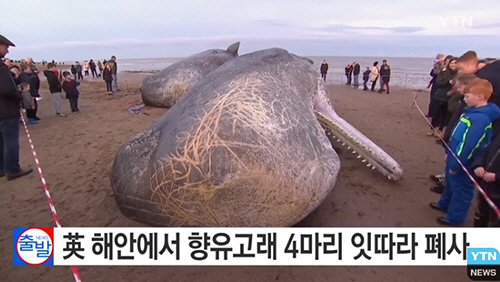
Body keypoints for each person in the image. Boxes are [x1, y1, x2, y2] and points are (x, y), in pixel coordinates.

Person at [430, 78, 500, 226]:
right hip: (454, 154)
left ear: (480, 96)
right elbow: (457, 134)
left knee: (462, 189)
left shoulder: (481, 118)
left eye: (468, 96)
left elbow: (469, 145)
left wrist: (457, 164)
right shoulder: (470, 113)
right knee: (450, 182)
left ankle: (455, 218)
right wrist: (448, 151)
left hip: (464, 160)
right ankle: (444, 203)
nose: (465, 98)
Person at [0, 34, 33, 180]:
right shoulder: (1, 68)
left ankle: (2, 168)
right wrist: (19, 95)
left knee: (2, 140)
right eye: (6, 47)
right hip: (6, 110)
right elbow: (6, 89)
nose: (7, 51)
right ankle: (12, 169)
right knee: (10, 140)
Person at [471, 131, 500, 227]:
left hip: (497, 195)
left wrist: (496, 177)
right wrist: (478, 165)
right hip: (486, 189)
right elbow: (485, 151)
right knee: (480, 217)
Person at [427, 57, 457, 138]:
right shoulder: (443, 72)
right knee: (436, 113)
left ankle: (440, 130)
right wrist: (448, 82)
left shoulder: (459, 74)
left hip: (450, 97)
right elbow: (438, 83)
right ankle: (432, 128)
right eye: (451, 63)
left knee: (445, 115)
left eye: (455, 63)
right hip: (440, 96)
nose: (453, 65)